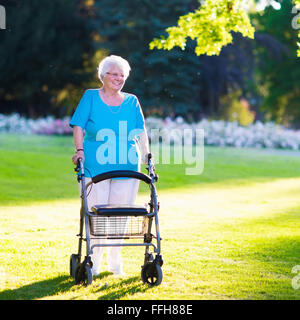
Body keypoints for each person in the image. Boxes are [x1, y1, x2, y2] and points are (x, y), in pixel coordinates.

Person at [70, 55, 150, 276]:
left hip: (127, 166)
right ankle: (93, 262)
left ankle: (115, 262)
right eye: (114, 74)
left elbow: (141, 131)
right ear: (103, 76)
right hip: (95, 166)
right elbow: (78, 126)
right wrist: (79, 151)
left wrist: (147, 155)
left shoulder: (132, 101)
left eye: (122, 75)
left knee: (119, 215)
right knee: (96, 213)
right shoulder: (91, 97)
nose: (118, 78)